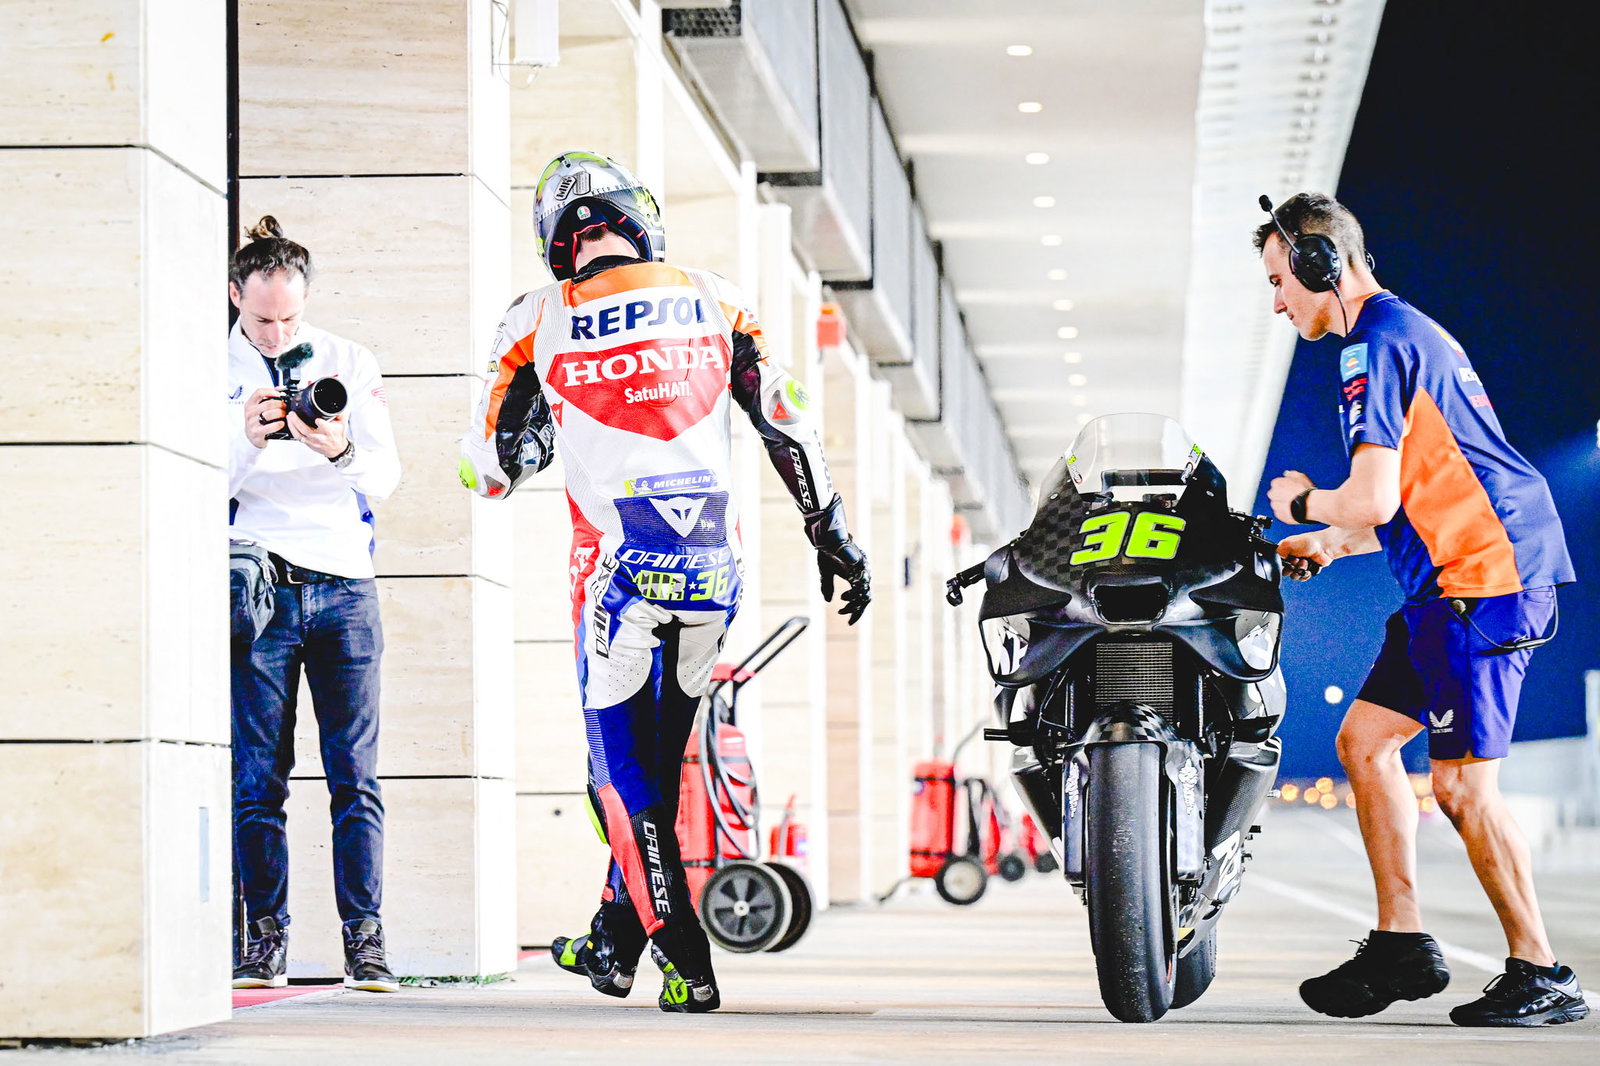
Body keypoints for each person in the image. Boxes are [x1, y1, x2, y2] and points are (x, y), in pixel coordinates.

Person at [459, 151, 870, 1013]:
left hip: (616, 576)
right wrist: (834, 536)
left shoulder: (534, 318)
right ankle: (611, 942)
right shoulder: (718, 296)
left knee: (619, 776)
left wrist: (547, 428)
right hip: (713, 574)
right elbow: (786, 424)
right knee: (654, 762)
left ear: (557, 244)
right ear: (638, 218)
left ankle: (685, 959)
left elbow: (489, 468)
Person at [1257, 192, 1585, 1027]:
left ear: (1320, 264)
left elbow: (1366, 496)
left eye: (1279, 279)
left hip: (1482, 582)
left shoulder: (1374, 346)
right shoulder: (1404, 334)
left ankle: (1542, 972)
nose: (1277, 301)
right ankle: (1401, 943)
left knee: (1463, 788)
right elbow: (1409, 496)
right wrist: (1333, 545)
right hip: (1447, 579)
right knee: (1364, 744)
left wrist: (1302, 508)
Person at [228, 216, 403, 992]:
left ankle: (365, 943)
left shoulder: (348, 362)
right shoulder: (207, 364)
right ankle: (263, 941)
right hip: (257, 585)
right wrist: (247, 439)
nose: (275, 332)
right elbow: (191, 479)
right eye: (261, 317)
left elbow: (385, 481)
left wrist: (338, 447)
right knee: (257, 778)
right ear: (235, 296)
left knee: (353, 777)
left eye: (289, 318)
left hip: (343, 588)